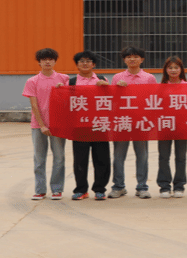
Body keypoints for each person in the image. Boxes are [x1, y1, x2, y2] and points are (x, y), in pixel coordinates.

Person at [22, 48, 69, 200]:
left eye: (50, 59)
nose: (47, 62)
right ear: (39, 62)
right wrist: (42, 125)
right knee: (39, 159)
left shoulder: (64, 79)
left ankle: (57, 189)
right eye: (44, 59)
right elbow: (34, 105)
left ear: (55, 61)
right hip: (38, 126)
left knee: (59, 157)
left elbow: (71, 99)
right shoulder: (32, 81)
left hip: (58, 125)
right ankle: (40, 190)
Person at [111, 46, 157, 198]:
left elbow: (153, 100)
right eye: (129, 57)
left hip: (141, 122)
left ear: (142, 59)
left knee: (142, 156)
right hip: (122, 122)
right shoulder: (117, 77)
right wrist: (117, 89)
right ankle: (118, 186)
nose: (132, 59)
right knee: (118, 156)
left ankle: (142, 187)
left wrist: (150, 121)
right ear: (124, 60)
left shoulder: (149, 78)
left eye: (136, 56)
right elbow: (111, 100)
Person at [66, 50, 111, 201]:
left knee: (102, 159)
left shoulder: (102, 79)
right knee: (80, 160)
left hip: (99, 124)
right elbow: (65, 103)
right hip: (80, 126)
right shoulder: (71, 82)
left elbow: (112, 100)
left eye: (88, 61)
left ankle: (100, 189)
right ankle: (81, 190)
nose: (85, 64)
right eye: (81, 61)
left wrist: (107, 87)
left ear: (94, 64)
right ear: (77, 65)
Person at [157, 56, 187, 198]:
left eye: (176, 67)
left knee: (181, 157)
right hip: (164, 125)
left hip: (182, 127)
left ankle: (179, 186)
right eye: (170, 67)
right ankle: (164, 186)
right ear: (166, 70)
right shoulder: (160, 87)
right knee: (164, 157)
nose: (173, 70)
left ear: (181, 69)